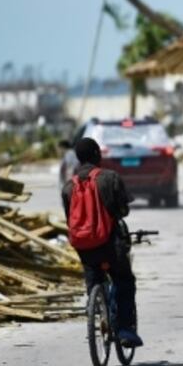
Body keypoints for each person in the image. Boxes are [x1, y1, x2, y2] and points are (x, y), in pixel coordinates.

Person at [62, 137, 142, 348]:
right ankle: (125, 329)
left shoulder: (69, 187)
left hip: (84, 247)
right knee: (124, 281)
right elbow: (123, 210)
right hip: (110, 244)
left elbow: (69, 219)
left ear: (78, 158)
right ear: (97, 154)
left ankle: (97, 312)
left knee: (94, 279)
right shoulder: (110, 178)